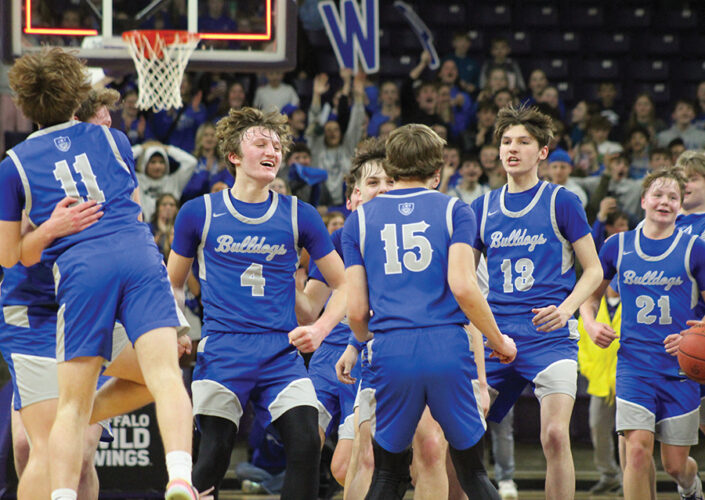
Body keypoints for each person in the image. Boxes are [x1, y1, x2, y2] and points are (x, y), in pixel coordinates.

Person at [0, 47, 197, 500]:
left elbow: (129, 224)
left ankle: (78, 424)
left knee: (80, 431)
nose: (108, 122)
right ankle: (175, 471)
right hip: (34, 311)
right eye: (101, 116)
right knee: (39, 447)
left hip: (83, 288)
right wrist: (50, 228)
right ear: (78, 107)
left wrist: (165, 324)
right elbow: (10, 257)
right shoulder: (38, 164)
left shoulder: (66, 153)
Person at [167, 106, 346, 499]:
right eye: (262, 143)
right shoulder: (199, 212)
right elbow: (172, 284)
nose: (273, 151)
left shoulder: (300, 214)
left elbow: (345, 283)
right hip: (224, 348)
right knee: (213, 454)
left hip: (280, 351)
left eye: (277, 146)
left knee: (306, 442)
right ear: (234, 155)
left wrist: (320, 328)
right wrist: (177, 329)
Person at [342, 123, 516, 499]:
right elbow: (464, 287)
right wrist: (499, 340)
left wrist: (366, 339)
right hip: (446, 346)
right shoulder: (456, 210)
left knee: (386, 474)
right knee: (472, 472)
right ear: (437, 171)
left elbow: (356, 311)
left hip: (391, 349)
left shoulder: (359, 221)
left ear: (391, 167)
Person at [470, 104, 603, 500]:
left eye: (523, 142)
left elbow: (594, 270)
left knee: (555, 435)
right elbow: (463, 279)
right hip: (497, 336)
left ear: (542, 151)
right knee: (460, 435)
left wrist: (567, 309)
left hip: (550, 337)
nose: (512, 148)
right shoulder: (481, 207)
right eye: (506, 141)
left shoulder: (562, 201)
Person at [580, 168, 705, 500]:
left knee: (675, 466)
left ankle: (690, 486)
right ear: (644, 200)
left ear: (680, 206)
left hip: (680, 368)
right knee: (636, 451)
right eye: (658, 195)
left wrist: (695, 335)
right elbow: (589, 296)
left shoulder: (695, 249)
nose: (665, 201)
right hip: (634, 365)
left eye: (673, 197)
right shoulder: (616, 245)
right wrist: (590, 324)